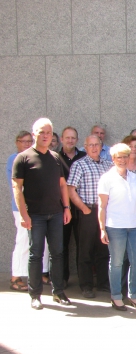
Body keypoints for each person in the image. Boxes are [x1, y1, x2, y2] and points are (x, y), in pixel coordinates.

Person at [12, 118, 71, 309]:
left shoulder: (55, 157)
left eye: (48, 132)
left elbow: (63, 185)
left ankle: (58, 292)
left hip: (55, 213)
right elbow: (17, 188)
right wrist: (23, 215)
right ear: (34, 133)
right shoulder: (23, 157)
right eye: (41, 132)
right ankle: (35, 294)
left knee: (57, 253)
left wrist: (66, 207)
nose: (45, 136)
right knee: (36, 254)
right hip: (35, 215)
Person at [98, 143, 136, 312]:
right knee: (117, 262)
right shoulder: (106, 178)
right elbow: (102, 206)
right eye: (119, 157)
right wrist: (102, 229)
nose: (123, 160)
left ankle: (133, 294)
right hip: (115, 226)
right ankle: (116, 296)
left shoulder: (133, 177)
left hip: (135, 226)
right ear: (113, 159)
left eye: (126, 156)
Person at [67, 135, 113, 298]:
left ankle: (102, 283)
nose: (94, 148)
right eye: (90, 145)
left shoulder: (109, 165)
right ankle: (86, 285)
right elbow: (71, 189)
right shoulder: (79, 165)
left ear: (102, 147)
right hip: (88, 211)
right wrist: (84, 209)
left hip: (106, 212)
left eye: (97, 145)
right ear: (85, 147)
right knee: (85, 250)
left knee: (104, 249)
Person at [7, 130, 44, 292]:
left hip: (35, 208)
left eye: (30, 141)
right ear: (17, 142)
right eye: (24, 141)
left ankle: (32, 274)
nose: (28, 144)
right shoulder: (14, 159)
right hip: (22, 208)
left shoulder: (31, 158)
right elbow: (18, 187)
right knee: (22, 241)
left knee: (32, 242)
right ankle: (16, 277)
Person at [58, 127, 86, 287]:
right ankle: (62, 278)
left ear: (77, 140)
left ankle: (84, 280)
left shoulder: (84, 156)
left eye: (73, 138)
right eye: (67, 138)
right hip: (61, 208)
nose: (70, 140)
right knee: (61, 245)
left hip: (81, 207)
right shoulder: (55, 157)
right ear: (62, 139)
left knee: (83, 246)